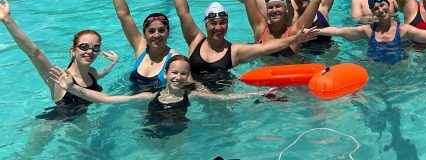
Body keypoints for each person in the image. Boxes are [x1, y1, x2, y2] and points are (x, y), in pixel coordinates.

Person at [163, 0, 317, 89]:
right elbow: (183, 14)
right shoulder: (196, 40)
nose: (218, 27)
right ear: (206, 24)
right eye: (213, 22)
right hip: (193, 94)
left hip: (224, 98)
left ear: (227, 25)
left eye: (222, 22)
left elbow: (265, 47)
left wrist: (294, 39)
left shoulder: (234, 51)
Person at [48, 55, 274, 136]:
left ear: (188, 77)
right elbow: (108, 99)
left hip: (178, 133)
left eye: (183, 74)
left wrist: (262, 92)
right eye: (174, 73)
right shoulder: (149, 96)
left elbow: (225, 98)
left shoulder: (192, 95)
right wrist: (73, 88)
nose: (178, 77)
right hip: (150, 132)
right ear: (165, 74)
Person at [0, 0, 118, 115]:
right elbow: (34, 52)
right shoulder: (59, 78)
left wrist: (113, 63)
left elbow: (101, 74)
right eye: (84, 46)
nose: (90, 51)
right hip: (56, 126)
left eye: (95, 48)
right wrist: (7, 20)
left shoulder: (92, 73)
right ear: (73, 51)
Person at [107, 0, 179, 92]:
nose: (156, 35)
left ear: (168, 32)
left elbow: (191, 86)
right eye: (151, 31)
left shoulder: (175, 59)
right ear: (144, 34)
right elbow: (124, 15)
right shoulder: (140, 47)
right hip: (136, 109)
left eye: (161, 30)